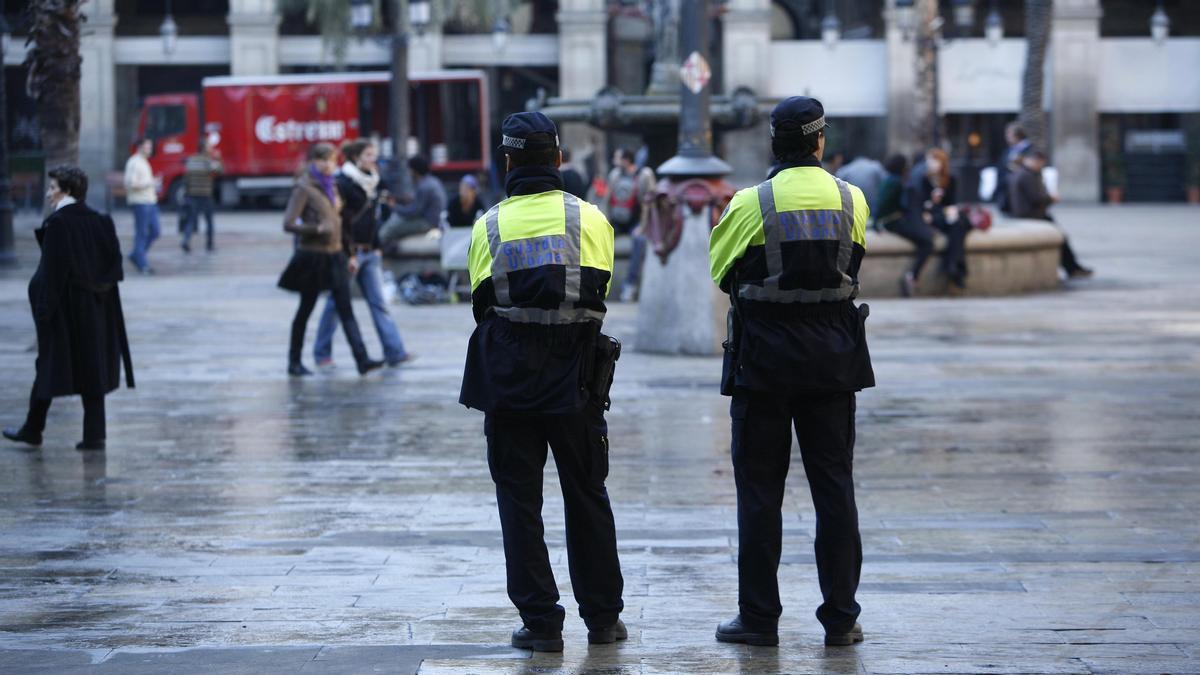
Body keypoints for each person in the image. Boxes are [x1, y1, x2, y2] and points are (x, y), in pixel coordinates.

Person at [708, 96, 874, 648]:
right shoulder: (853, 199)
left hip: (763, 366)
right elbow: (851, 264)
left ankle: (758, 619)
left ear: (773, 144)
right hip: (833, 363)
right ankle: (842, 618)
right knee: (835, 489)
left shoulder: (750, 203)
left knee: (759, 493)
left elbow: (720, 271)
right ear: (819, 142)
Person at [459, 112, 625, 652]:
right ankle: (602, 619)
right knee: (587, 493)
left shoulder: (488, 225)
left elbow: (482, 302)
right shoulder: (592, 221)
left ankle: (540, 624)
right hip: (576, 376)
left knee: (518, 500)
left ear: (508, 162)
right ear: (558, 160)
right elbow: (601, 290)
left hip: (508, 378)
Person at [4, 166, 134, 451]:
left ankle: (33, 429)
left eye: (52, 188)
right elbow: (114, 269)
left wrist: (43, 313)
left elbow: (53, 274)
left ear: (67, 190)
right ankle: (93, 435)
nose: (49, 194)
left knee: (48, 366)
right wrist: (95, 288)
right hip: (97, 311)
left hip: (67, 314)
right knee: (93, 368)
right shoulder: (102, 221)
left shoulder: (59, 224)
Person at [277, 143, 384, 377]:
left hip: (335, 254)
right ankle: (294, 362)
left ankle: (362, 359)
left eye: (331, 160)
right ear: (313, 162)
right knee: (306, 309)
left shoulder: (333, 187)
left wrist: (351, 253)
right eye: (322, 160)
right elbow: (288, 223)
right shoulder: (304, 188)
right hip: (313, 257)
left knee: (346, 309)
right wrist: (316, 228)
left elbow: (341, 224)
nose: (327, 165)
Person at [312, 139, 414, 370]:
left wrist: (377, 245)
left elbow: (376, 217)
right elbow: (343, 222)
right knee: (336, 305)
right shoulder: (344, 182)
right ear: (356, 157)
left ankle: (395, 352)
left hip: (370, 252)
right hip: (350, 252)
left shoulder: (375, 181)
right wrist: (348, 252)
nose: (373, 159)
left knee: (379, 303)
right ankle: (322, 352)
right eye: (368, 155)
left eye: (374, 155)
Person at [1008, 149, 1094, 279]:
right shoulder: (1027, 176)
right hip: (1032, 216)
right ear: (1036, 161)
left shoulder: (1025, 173)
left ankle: (1072, 267)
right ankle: (1072, 268)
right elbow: (1036, 198)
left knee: (1060, 238)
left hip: (1032, 214)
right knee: (1060, 238)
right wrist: (1051, 199)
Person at [908, 147, 968, 290]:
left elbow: (952, 202)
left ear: (942, 163)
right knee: (959, 227)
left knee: (958, 225)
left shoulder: (950, 179)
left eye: (935, 161)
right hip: (932, 216)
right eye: (930, 160)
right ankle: (957, 268)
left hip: (947, 214)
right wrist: (932, 201)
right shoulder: (923, 178)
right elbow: (922, 205)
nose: (932, 164)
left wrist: (949, 208)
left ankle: (951, 265)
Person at [875, 154, 934, 297]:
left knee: (927, 238)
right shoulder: (896, 182)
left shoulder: (889, 179)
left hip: (890, 221)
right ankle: (912, 276)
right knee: (927, 242)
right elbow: (888, 205)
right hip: (893, 222)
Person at [605, 148, 655, 302]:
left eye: (618, 157)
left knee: (639, 241)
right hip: (617, 221)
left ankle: (630, 285)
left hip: (636, 221)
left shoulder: (644, 175)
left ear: (626, 160)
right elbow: (608, 200)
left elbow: (650, 201)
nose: (615, 160)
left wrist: (644, 226)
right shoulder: (614, 175)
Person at [378, 155, 447, 248]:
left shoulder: (424, 186)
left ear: (415, 171)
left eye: (410, 169)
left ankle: (385, 250)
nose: (409, 173)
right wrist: (402, 200)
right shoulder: (432, 181)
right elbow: (419, 202)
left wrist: (394, 206)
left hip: (428, 222)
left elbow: (413, 212)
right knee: (396, 220)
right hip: (433, 219)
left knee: (389, 228)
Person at [124, 138, 160, 274]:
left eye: (150, 147)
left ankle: (136, 254)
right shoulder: (134, 162)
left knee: (155, 231)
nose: (149, 149)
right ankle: (143, 264)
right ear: (139, 147)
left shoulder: (144, 162)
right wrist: (150, 183)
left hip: (151, 201)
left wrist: (153, 183)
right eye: (147, 147)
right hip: (140, 202)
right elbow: (130, 183)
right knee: (142, 233)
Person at [180, 139, 223, 253]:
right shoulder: (208, 161)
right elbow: (219, 171)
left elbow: (186, 179)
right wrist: (218, 158)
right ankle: (209, 245)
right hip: (205, 195)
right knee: (209, 221)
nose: (211, 149)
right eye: (209, 146)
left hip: (192, 195)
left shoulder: (191, 160)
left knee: (191, 220)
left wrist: (188, 193)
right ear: (204, 148)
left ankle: (186, 240)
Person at [995, 122, 1031, 214]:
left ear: (1017, 135)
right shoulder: (1009, 150)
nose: (1006, 137)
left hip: (1022, 194)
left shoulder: (1030, 150)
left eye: (1008, 134)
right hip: (1006, 192)